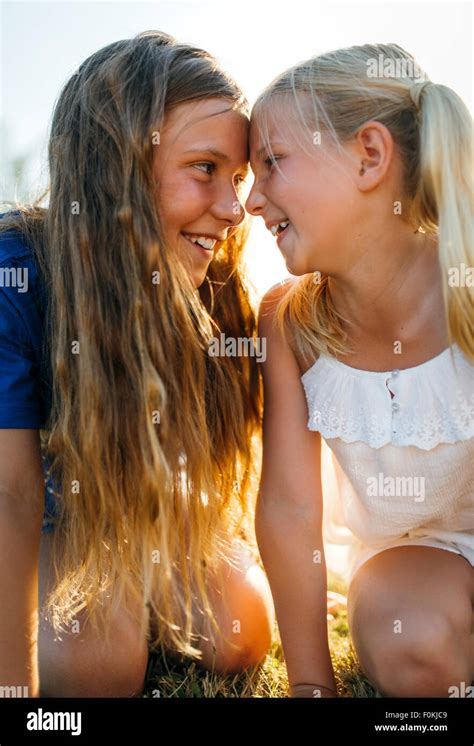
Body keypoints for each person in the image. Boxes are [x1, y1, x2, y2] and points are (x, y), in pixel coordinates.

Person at [0, 30, 274, 698]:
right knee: (92, 675)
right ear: (115, 166)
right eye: (205, 170)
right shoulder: (19, 274)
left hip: (140, 522)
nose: (234, 209)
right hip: (49, 523)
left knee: (243, 631)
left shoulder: (207, 283)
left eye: (237, 178)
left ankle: (140, 598)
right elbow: (10, 495)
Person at [246, 42, 473, 698]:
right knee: (412, 646)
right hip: (415, 557)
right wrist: (311, 685)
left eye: (273, 164)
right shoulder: (290, 323)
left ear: (370, 156)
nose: (254, 200)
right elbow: (290, 507)